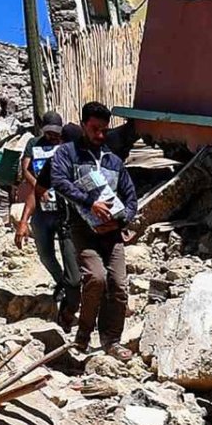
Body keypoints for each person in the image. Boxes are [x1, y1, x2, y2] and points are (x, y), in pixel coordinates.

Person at [49, 105, 135, 352]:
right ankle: (83, 335)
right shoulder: (67, 153)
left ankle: (112, 341)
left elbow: (131, 198)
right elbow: (59, 181)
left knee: (118, 285)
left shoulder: (113, 161)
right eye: (95, 129)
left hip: (112, 232)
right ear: (83, 124)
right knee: (96, 278)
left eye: (104, 130)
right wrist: (90, 203)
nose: (99, 135)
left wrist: (121, 220)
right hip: (83, 230)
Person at [11, 118, 73, 310]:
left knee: (69, 254)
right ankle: (61, 281)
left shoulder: (68, 145)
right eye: (49, 133)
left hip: (64, 211)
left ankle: (72, 289)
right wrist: (23, 220)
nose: (52, 137)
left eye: (56, 133)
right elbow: (26, 169)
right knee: (45, 254)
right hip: (42, 208)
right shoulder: (34, 144)